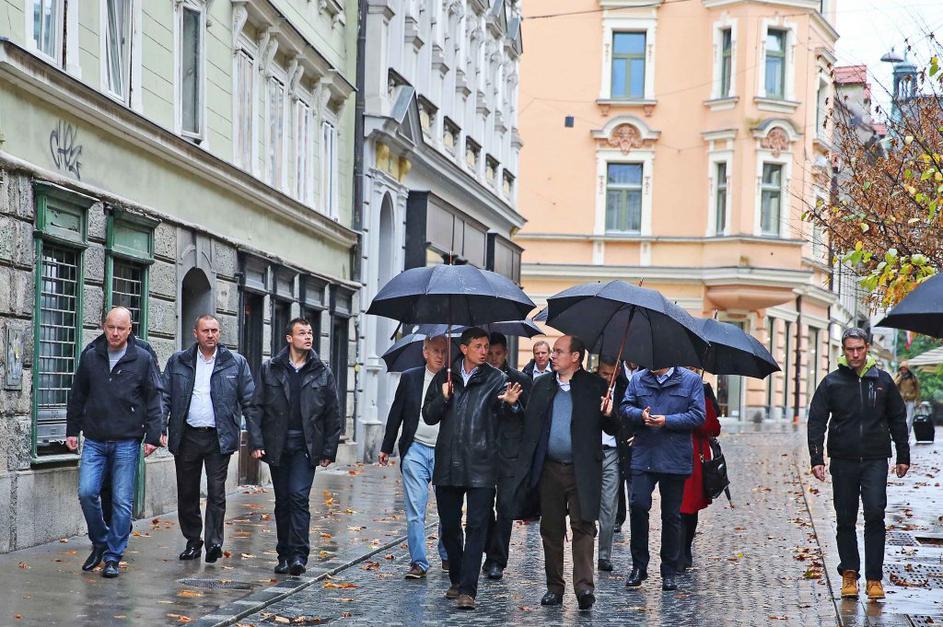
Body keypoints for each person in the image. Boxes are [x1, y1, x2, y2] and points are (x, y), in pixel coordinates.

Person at [509, 336, 616, 611]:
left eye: (558, 351)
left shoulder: (595, 386)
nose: (553, 356)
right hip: (549, 469)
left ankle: (584, 589)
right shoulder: (543, 385)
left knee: (584, 527)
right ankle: (554, 588)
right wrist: (512, 405)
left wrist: (609, 414)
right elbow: (530, 425)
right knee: (551, 530)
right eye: (553, 351)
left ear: (576, 357)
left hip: (583, 470)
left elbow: (616, 428)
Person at [423, 328, 523, 611]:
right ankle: (456, 579)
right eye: (478, 346)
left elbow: (509, 419)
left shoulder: (497, 379)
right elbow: (428, 416)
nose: (484, 351)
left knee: (477, 526)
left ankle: (468, 589)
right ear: (464, 349)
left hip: (482, 464)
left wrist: (511, 406)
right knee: (451, 528)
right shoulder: (445, 377)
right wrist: (442, 397)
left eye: (486, 346)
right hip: (448, 464)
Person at [808, 327, 909, 601]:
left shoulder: (884, 381)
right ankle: (849, 573)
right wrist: (816, 458)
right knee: (845, 517)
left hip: (876, 458)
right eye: (850, 349)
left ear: (867, 348)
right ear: (844, 350)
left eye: (859, 349)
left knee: (875, 513)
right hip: (843, 460)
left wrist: (903, 455)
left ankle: (874, 578)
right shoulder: (831, 383)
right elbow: (817, 420)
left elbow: (898, 419)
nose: (855, 354)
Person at [65, 307, 164, 578]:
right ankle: (100, 542)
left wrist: (154, 436)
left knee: (122, 501)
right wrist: (72, 430)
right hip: (95, 439)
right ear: (103, 326)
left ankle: (112, 556)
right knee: (87, 492)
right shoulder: (90, 356)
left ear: (130, 329)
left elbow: (155, 398)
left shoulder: (142, 359)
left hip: (126, 441)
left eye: (121, 328)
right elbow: (78, 395)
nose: (116, 333)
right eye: (111, 327)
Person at [247, 318, 342, 576]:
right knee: (283, 500)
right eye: (302, 333)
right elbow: (255, 407)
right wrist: (256, 442)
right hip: (277, 444)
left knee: (299, 497)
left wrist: (328, 450)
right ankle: (284, 554)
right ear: (289, 338)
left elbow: (333, 413)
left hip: (306, 445)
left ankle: (299, 555)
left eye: (310, 333)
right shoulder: (271, 369)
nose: (308, 337)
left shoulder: (322, 371)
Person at [163, 314, 255, 563]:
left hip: (219, 437)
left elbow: (250, 401)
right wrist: (160, 427)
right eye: (206, 331)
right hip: (187, 435)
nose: (211, 335)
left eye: (215, 330)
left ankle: (214, 542)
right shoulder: (178, 361)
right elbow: (164, 397)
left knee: (216, 492)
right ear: (196, 333)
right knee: (188, 492)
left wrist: (256, 439)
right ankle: (193, 541)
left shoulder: (235, 363)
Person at [620, 365, 704, 591]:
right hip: (644, 453)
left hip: (674, 456)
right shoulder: (638, 379)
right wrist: (640, 415)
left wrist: (667, 420)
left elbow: (698, 415)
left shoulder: (691, 380)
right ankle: (639, 566)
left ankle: (669, 569)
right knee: (637, 506)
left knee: (671, 516)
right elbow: (625, 407)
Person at [379, 335, 451, 578]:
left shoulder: (453, 379)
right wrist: (386, 447)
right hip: (415, 449)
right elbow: (396, 412)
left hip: (444, 451)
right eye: (436, 350)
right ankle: (419, 562)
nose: (440, 355)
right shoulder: (410, 377)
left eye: (444, 351)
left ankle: (447, 554)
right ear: (425, 352)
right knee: (415, 509)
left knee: (447, 509)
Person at [482, 332, 531, 580]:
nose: (493, 358)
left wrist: (513, 404)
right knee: (482, 507)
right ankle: (490, 547)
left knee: (505, 507)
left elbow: (528, 418)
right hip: (483, 452)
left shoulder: (520, 380)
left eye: (498, 354)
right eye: (489, 353)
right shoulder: (480, 379)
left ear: (506, 353)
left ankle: (496, 561)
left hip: (511, 453)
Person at [679, 373, 722, 571]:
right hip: (676, 452)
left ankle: (685, 549)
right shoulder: (674, 390)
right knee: (677, 506)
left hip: (696, 455)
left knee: (690, 506)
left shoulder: (703, 392)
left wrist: (699, 413)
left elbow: (714, 427)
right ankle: (677, 552)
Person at [594, 358, 630, 572]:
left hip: (614, 452)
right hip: (591, 451)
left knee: (609, 506)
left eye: (611, 374)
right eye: (604, 374)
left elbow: (626, 417)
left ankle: (604, 554)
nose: (608, 378)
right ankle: (586, 549)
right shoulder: (591, 387)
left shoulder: (626, 388)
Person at [614, 361, 640, 533]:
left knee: (634, 478)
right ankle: (618, 517)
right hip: (616, 430)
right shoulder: (616, 371)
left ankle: (637, 517)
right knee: (616, 478)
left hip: (636, 433)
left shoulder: (645, 374)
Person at [893, 361, 920, 441]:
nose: (903, 370)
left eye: (905, 369)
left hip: (911, 400)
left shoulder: (913, 377)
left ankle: (906, 435)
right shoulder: (898, 376)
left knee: (909, 419)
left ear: (908, 369)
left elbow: (917, 389)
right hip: (901, 400)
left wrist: (918, 401)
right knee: (901, 418)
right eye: (902, 369)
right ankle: (900, 434)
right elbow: (893, 385)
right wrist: (900, 377)